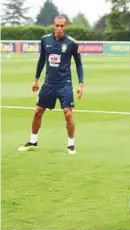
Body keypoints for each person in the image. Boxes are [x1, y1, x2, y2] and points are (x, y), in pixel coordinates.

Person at [18, 15, 84, 155]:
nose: (59, 28)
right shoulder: (45, 40)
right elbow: (41, 60)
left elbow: (79, 64)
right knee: (37, 112)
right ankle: (33, 141)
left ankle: (71, 145)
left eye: (62, 26)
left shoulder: (72, 43)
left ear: (65, 27)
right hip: (48, 84)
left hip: (64, 84)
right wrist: (36, 79)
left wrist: (81, 84)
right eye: (57, 25)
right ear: (53, 25)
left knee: (68, 114)